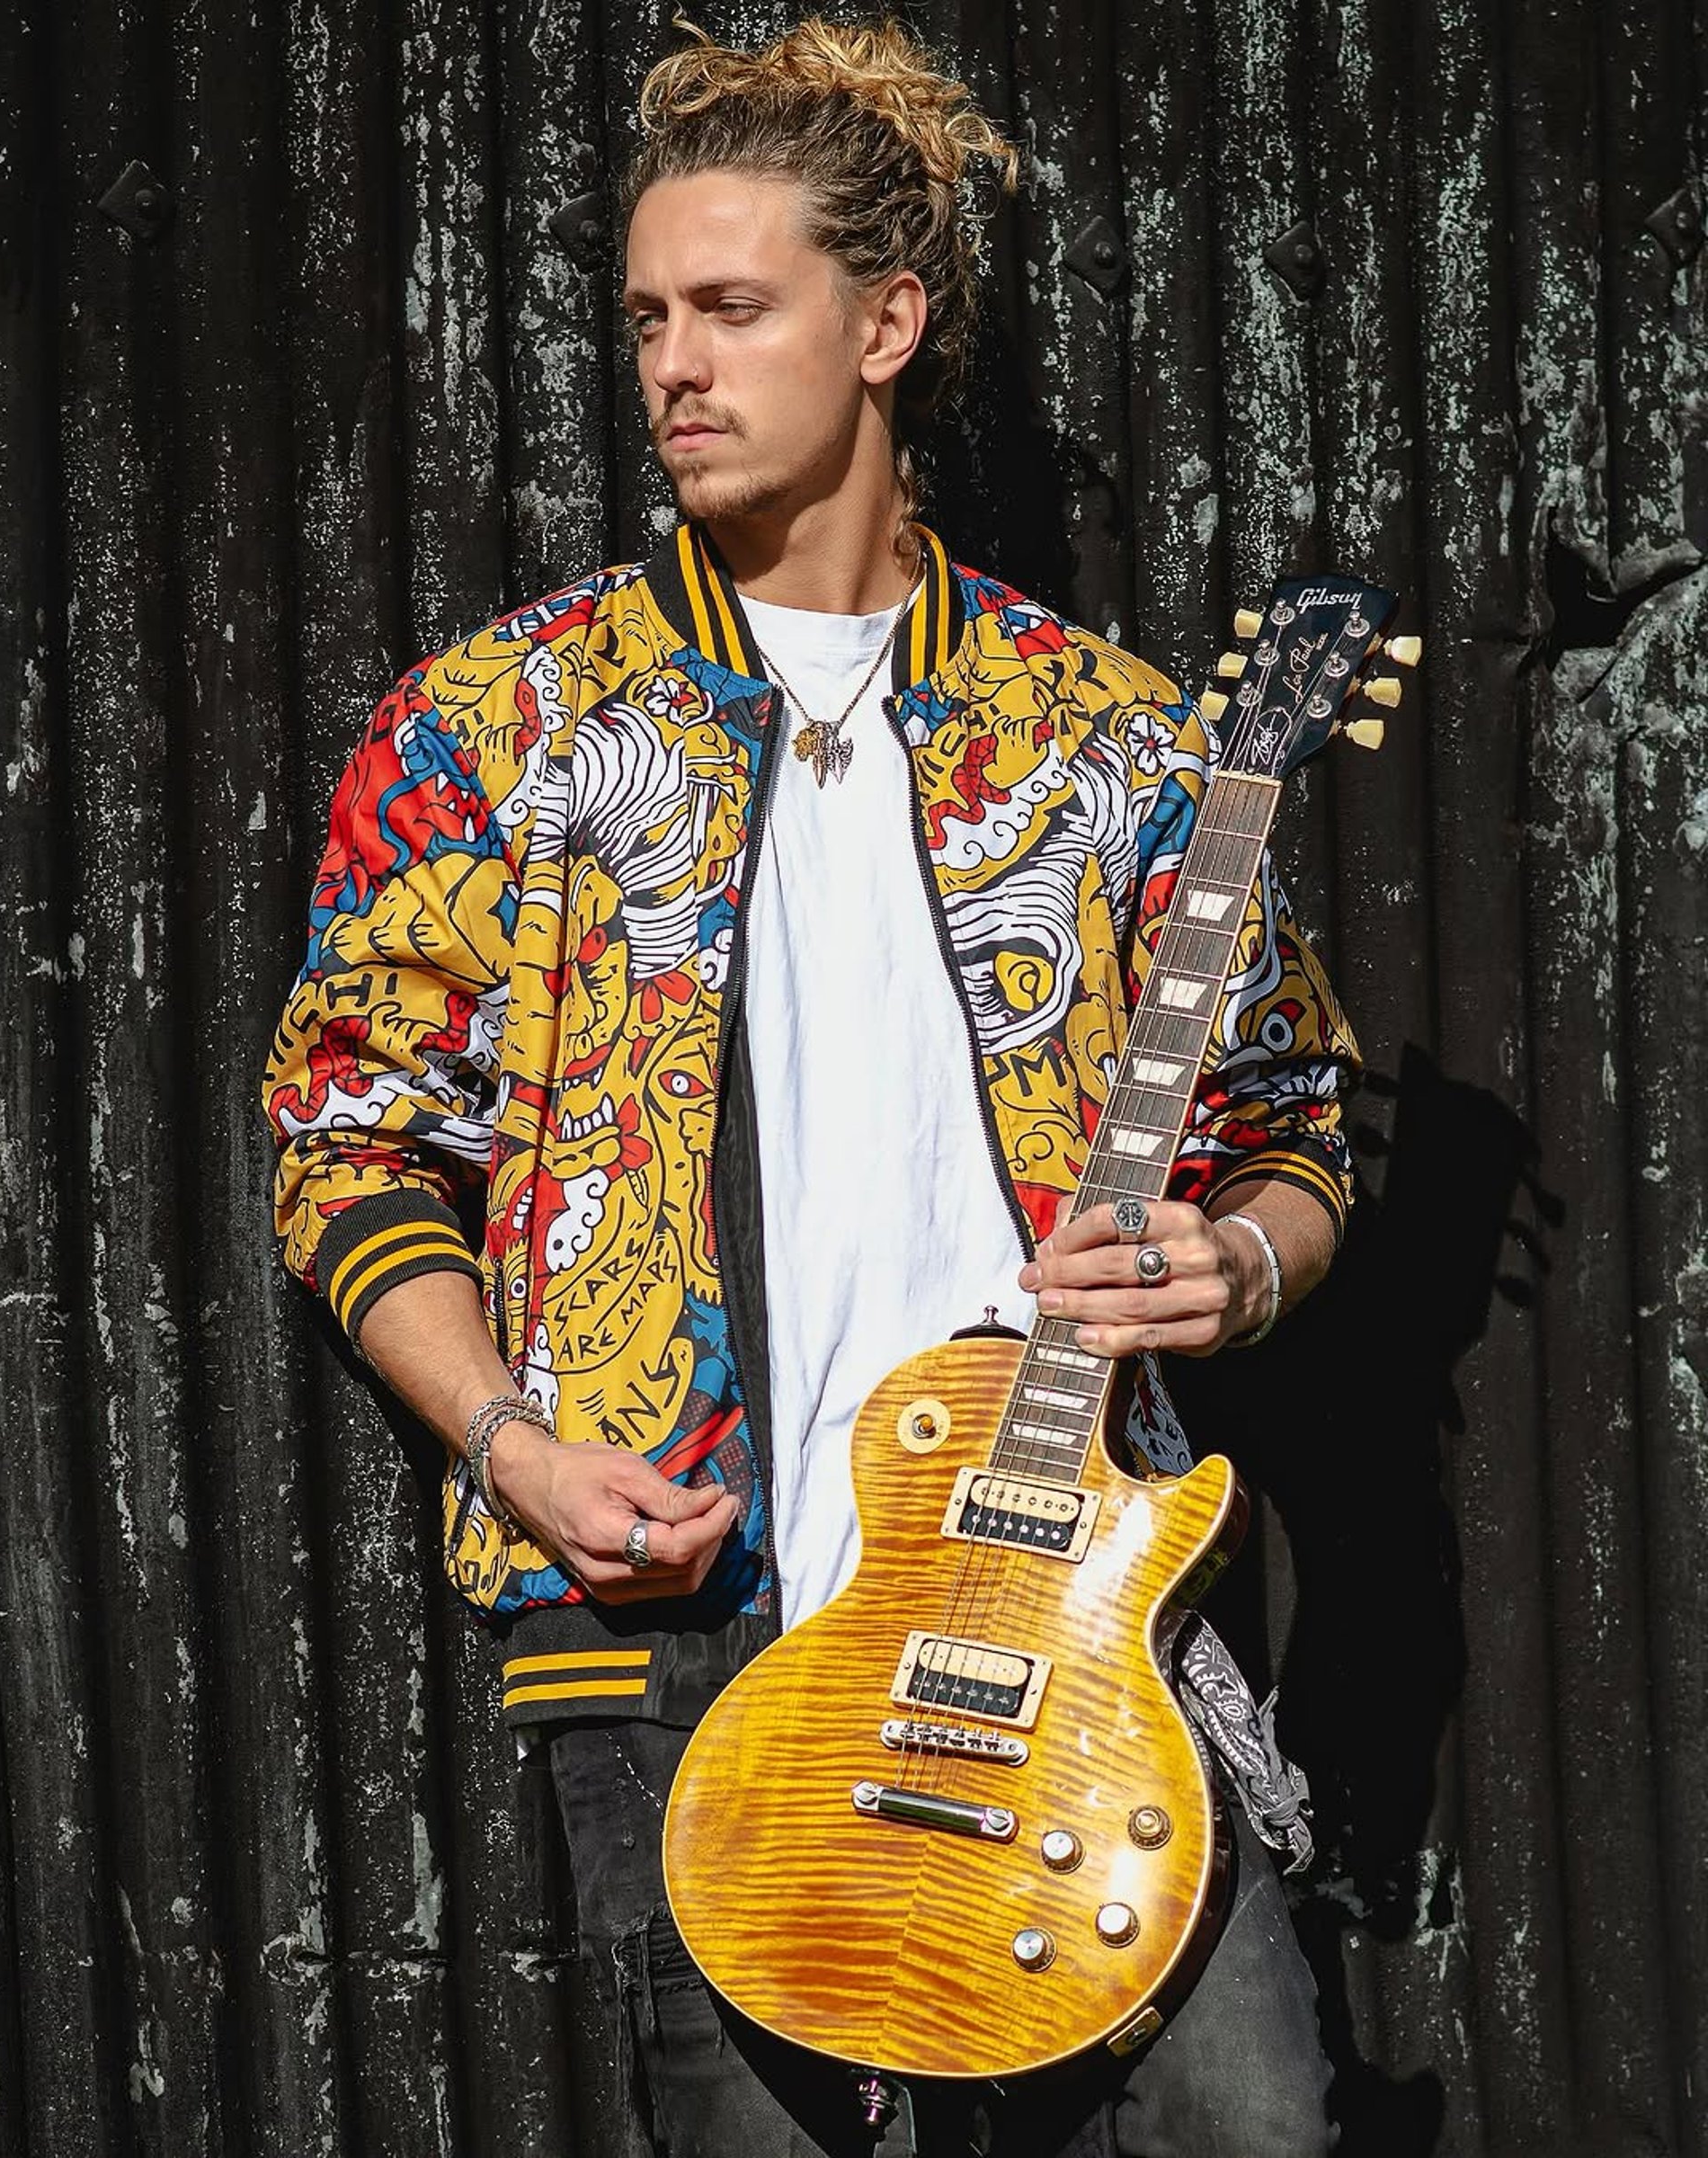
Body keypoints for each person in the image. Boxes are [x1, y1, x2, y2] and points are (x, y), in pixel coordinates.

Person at [264, 18, 1359, 2155]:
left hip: (1070, 1589)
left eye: (731, 308)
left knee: (1257, 2126)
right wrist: (514, 1445)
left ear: (889, 321)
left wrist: (1237, 1265)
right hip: (685, 1600)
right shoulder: (504, 725)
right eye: (650, 315)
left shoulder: (1112, 740)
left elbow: (1286, 1124)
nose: (672, 362)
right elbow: (347, 1138)